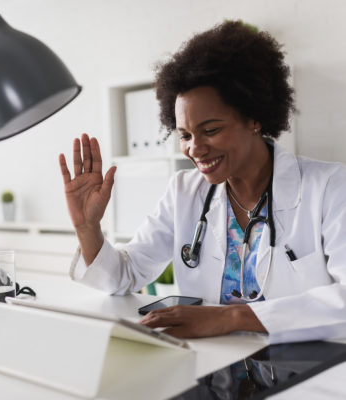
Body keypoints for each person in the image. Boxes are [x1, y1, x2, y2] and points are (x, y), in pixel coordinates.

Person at [58, 20, 346, 343]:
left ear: (254, 118)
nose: (194, 149)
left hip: (306, 372)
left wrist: (231, 316)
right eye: (185, 135)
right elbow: (124, 276)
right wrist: (87, 228)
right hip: (215, 366)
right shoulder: (185, 191)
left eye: (210, 130)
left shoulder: (331, 188)